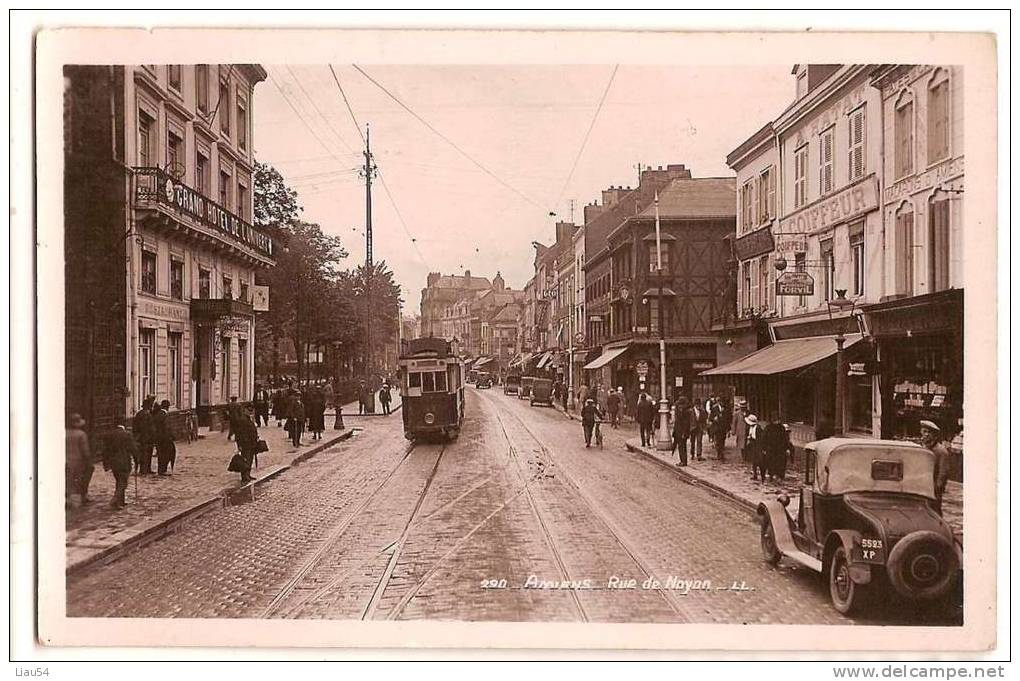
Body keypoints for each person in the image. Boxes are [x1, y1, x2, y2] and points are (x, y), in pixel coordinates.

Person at [101, 416, 136, 508]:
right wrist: (137, 459)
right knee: (123, 481)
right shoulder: (127, 434)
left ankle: (121, 501)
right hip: (124, 461)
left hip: (113, 462)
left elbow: (105, 450)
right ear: (123, 424)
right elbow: (133, 449)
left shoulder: (109, 435)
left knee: (119, 480)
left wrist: (106, 463)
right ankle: (116, 499)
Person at [921, 420, 952, 515]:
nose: (926, 435)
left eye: (928, 432)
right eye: (924, 431)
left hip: (934, 488)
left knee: (935, 512)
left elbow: (943, 472)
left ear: (935, 436)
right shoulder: (924, 448)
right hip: (923, 486)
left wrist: (937, 489)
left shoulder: (941, 451)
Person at [65, 413, 91, 507]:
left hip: (65, 460)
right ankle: (79, 498)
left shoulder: (64, 433)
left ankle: (66, 497)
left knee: (67, 479)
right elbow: (85, 450)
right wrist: (88, 460)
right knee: (79, 479)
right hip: (78, 461)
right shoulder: (81, 434)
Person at [233, 406, 260, 483]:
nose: (250, 412)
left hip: (251, 443)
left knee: (250, 459)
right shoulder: (242, 420)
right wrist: (240, 444)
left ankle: (248, 474)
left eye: (251, 410)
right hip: (246, 443)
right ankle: (244, 476)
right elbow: (239, 433)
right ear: (245, 411)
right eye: (249, 410)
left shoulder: (248, 419)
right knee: (246, 460)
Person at [762, 414, 788, 483]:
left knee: (780, 463)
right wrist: (764, 448)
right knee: (771, 462)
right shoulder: (768, 428)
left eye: (778, 420)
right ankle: (771, 475)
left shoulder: (781, 428)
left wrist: (786, 448)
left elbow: (785, 439)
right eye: (775, 420)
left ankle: (779, 476)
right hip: (771, 449)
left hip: (780, 449)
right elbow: (763, 438)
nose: (777, 422)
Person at [132, 396, 155, 474]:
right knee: (146, 453)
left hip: (141, 437)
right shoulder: (146, 414)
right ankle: (144, 469)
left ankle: (146, 469)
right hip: (146, 437)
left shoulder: (139, 413)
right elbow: (146, 427)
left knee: (145, 453)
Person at [153, 399, 176, 476]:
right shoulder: (163, 415)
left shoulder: (159, 414)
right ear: (168, 407)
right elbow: (166, 428)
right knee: (165, 454)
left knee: (162, 454)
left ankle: (162, 469)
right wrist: (171, 436)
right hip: (164, 439)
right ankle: (162, 470)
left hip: (159, 438)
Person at [671, 396, 691, 466]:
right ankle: (683, 460)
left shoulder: (684, 412)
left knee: (681, 446)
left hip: (681, 432)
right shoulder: (685, 410)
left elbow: (685, 423)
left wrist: (684, 432)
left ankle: (683, 461)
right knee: (682, 446)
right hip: (680, 431)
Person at [745, 414, 765, 481]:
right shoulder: (750, 428)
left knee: (759, 461)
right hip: (753, 445)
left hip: (758, 446)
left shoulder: (758, 428)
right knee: (753, 461)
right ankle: (755, 475)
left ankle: (762, 475)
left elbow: (761, 438)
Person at [707, 395, 728, 460]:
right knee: (718, 440)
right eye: (719, 401)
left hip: (723, 427)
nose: (720, 402)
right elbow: (711, 417)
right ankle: (719, 454)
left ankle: (721, 452)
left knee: (723, 440)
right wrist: (713, 419)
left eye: (721, 401)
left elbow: (728, 417)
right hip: (717, 426)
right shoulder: (714, 408)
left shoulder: (725, 408)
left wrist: (728, 428)